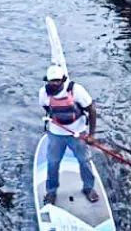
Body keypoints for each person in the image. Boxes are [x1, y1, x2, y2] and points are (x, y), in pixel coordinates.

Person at [39, 65, 99, 205]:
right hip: (56, 134)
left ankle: (88, 188)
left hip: (77, 134)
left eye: (57, 81)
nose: (54, 84)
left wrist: (91, 134)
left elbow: (92, 110)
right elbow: (46, 108)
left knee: (84, 161)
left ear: (63, 80)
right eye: (51, 81)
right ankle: (51, 192)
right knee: (53, 162)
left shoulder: (76, 90)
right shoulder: (43, 93)